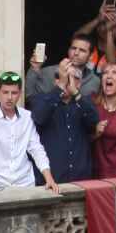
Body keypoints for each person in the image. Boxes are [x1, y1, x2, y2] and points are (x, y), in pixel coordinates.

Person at [0, 72, 59, 193]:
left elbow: (36, 149)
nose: (9, 97)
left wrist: (49, 178)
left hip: (25, 183)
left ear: (20, 94)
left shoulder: (27, 117)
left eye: (14, 93)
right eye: (5, 92)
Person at [32, 51, 99, 185]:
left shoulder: (84, 102)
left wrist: (75, 92)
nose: (66, 80)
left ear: (79, 83)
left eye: (72, 77)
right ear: (55, 80)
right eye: (60, 77)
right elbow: (39, 117)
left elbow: (93, 121)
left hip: (80, 180)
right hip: (51, 180)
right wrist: (60, 87)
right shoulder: (43, 99)